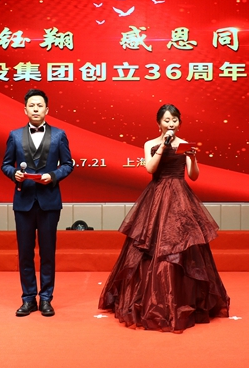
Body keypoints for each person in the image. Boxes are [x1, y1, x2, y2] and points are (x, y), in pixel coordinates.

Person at [98, 103, 230, 332]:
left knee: (182, 247)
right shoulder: (150, 144)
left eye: (175, 120)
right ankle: (151, 301)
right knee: (150, 246)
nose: (171, 124)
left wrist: (193, 158)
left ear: (180, 122)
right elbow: (150, 169)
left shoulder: (185, 144)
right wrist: (163, 146)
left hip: (180, 199)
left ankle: (182, 300)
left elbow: (193, 176)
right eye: (167, 120)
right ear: (158, 123)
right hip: (157, 197)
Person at [2, 89, 74, 317]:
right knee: (25, 253)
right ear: (25, 110)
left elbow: (68, 164)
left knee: (47, 253)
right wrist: (14, 174)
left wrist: (53, 176)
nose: (35, 109)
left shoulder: (59, 135)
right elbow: (6, 164)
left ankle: (46, 299)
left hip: (49, 202)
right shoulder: (14, 136)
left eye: (39, 105)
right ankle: (28, 299)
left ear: (47, 109)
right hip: (23, 201)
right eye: (31, 105)